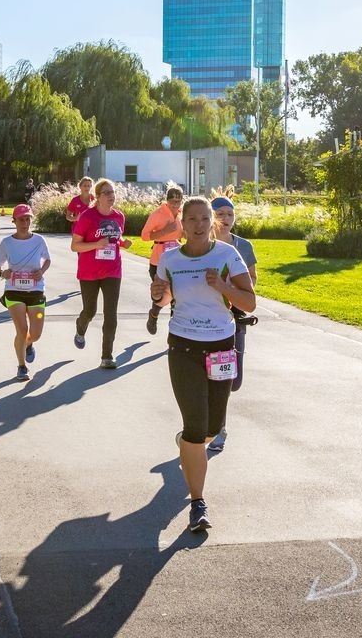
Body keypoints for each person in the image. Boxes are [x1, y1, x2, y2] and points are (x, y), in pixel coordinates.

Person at [150, 196, 255, 532]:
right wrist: (158, 293)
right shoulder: (170, 259)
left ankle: (188, 444)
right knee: (196, 429)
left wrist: (222, 285)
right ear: (182, 223)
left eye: (204, 219)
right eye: (191, 219)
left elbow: (249, 302)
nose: (198, 225)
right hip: (183, 346)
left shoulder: (227, 255)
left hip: (220, 348)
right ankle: (198, 503)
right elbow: (166, 297)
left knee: (212, 428)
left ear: (213, 222)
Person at [206, 194, 259, 453]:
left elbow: (253, 278)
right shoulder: (202, 245)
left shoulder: (243, 246)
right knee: (219, 376)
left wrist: (233, 290)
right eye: (221, 214)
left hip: (236, 317)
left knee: (233, 380)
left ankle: (212, 419)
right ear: (212, 217)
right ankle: (218, 427)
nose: (226, 219)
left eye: (230, 214)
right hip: (209, 318)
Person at [70, 178, 132, 370]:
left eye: (113, 192)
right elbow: (75, 246)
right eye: (107, 193)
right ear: (97, 197)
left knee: (110, 314)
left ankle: (107, 356)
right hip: (89, 271)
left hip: (112, 270)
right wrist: (96, 244)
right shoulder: (87, 217)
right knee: (90, 310)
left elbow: (115, 238)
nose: (111, 196)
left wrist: (123, 242)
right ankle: (81, 326)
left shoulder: (119, 216)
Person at [0, 204, 52, 381]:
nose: (25, 223)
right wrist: (3, 274)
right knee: (22, 330)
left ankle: (27, 344)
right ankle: (21, 366)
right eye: (21, 220)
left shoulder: (39, 240)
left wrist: (41, 271)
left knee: (35, 334)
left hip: (35, 291)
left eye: (28, 219)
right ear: (14, 221)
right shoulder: (7, 243)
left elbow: (47, 260)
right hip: (14, 292)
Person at [141, 185, 185, 335]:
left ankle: (175, 330)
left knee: (177, 296)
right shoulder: (158, 214)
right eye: (172, 201)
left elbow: (184, 233)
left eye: (178, 201)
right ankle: (153, 315)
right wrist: (165, 231)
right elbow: (144, 236)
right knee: (162, 293)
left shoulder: (182, 214)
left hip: (178, 260)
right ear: (167, 201)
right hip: (158, 260)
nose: (175, 204)